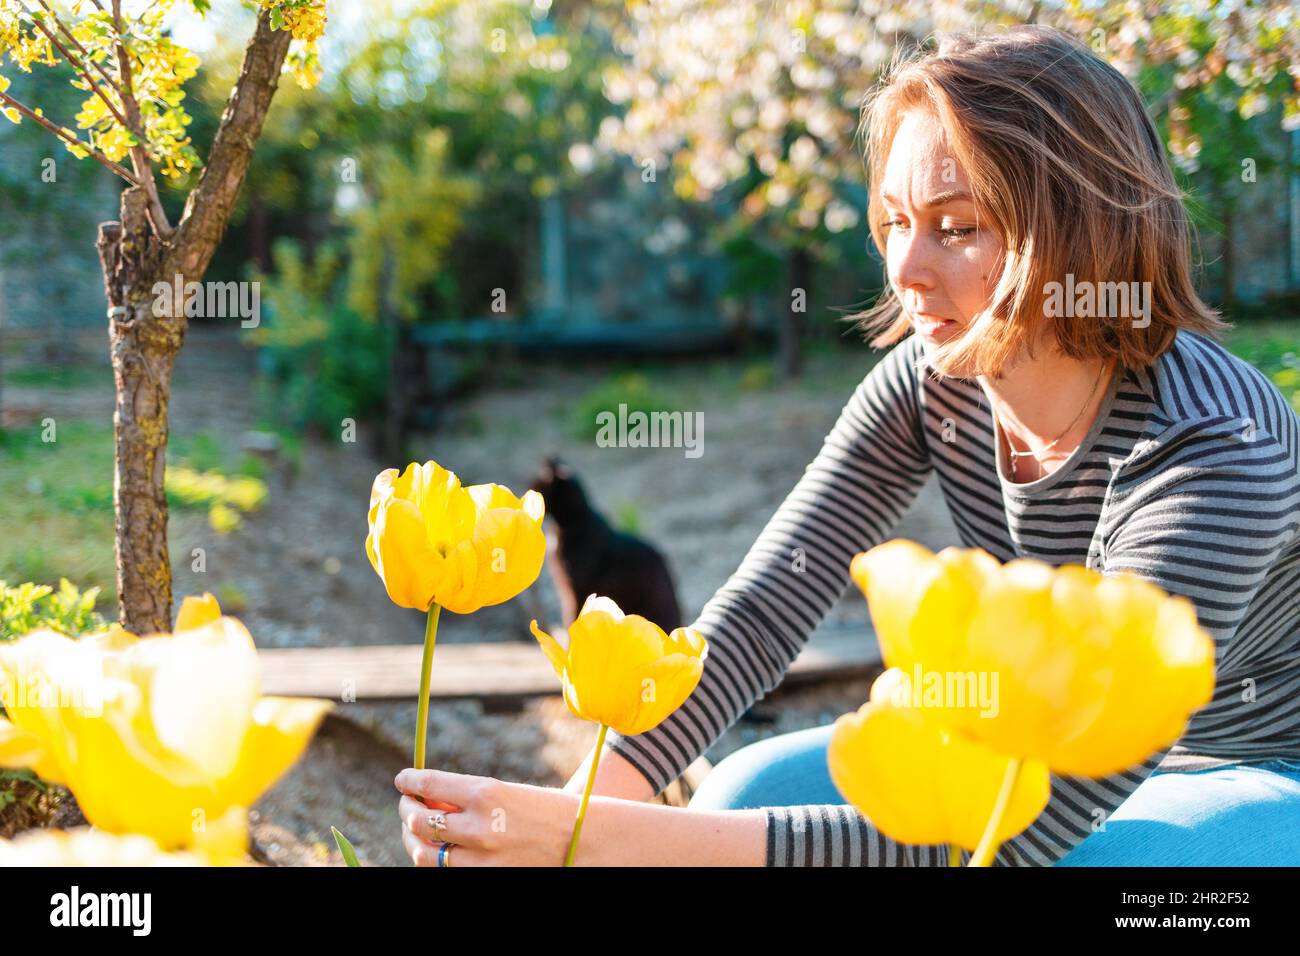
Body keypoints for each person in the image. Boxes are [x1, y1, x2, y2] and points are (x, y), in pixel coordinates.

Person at [394, 25, 1300, 866]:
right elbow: (765, 608)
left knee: (1092, 866)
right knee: (740, 789)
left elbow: (1034, 827)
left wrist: (583, 841)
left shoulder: (1214, 450)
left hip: (1254, 766)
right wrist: (579, 814)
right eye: (897, 222)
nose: (906, 270)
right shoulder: (930, 382)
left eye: (957, 227)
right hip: (1010, 727)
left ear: (1080, 229)